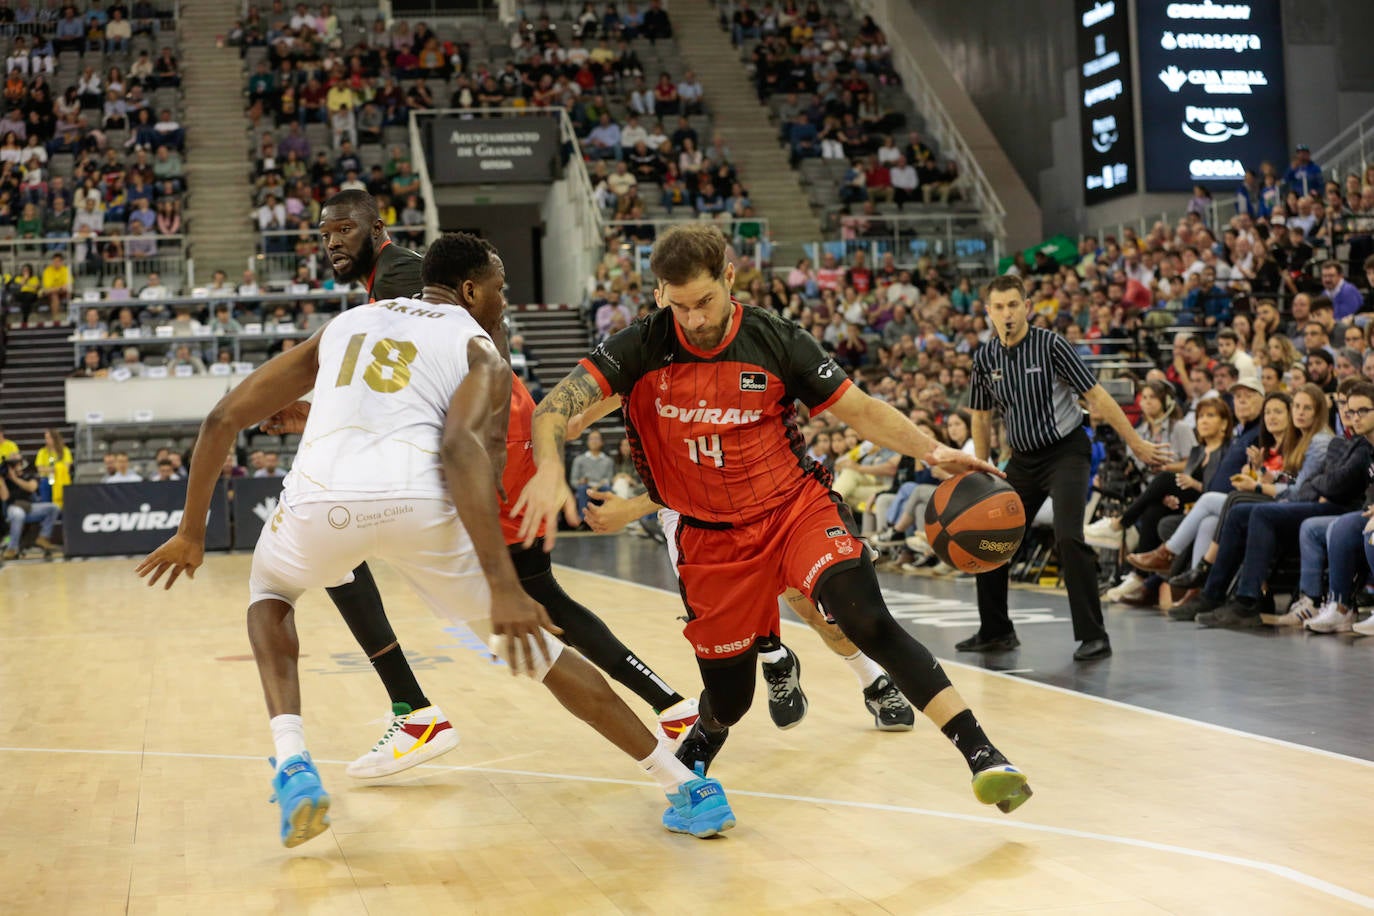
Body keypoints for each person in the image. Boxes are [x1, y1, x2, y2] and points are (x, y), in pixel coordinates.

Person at [135, 233, 737, 848]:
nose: (505, 301)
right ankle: (684, 788)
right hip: (420, 506)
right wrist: (502, 586)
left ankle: (293, 763)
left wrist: (191, 532)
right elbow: (457, 447)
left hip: (321, 504)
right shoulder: (480, 348)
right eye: (500, 289)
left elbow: (224, 417)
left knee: (270, 591)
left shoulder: (348, 323)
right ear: (471, 290)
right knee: (542, 656)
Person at [514, 224, 1032, 814]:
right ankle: (708, 731)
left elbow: (860, 410)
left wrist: (933, 451)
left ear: (730, 278)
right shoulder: (639, 347)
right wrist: (550, 466)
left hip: (792, 510)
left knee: (863, 615)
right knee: (730, 698)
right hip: (710, 540)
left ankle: (984, 755)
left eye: (705, 301)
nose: (694, 319)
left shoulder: (777, 339)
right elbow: (555, 408)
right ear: (660, 294)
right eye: (679, 306)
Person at [960, 276, 1171, 661]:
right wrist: (983, 466)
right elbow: (981, 416)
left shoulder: (1052, 345)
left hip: (1066, 452)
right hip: (1022, 460)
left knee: (1069, 537)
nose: (1007, 314)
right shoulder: (985, 358)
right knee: (992, 537)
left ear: (1027, 306)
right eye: (999, 307)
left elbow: (1097, 396)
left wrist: (1136, 443)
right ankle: (996, 631)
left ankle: (1094, 636)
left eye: (1013, 305)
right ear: (988, 312)